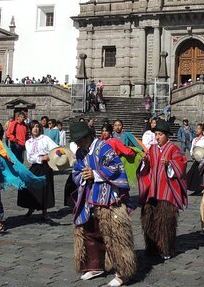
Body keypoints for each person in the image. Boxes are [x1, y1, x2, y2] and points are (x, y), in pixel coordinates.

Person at [71, 121, 136, 287]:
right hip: (88, 196)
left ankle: (122, 272)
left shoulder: (104, 148)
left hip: (108, 198)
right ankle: (95, 265)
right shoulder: (80, 152)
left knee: (115, 235)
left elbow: (117, 167)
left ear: (88, 136)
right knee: (90, 230)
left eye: (79, 139)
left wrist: (95, 174)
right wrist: (83, 177)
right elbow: (76, 171)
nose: (77, 143)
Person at [137, 119, 187, 260]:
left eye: (160, 134)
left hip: (167, 192)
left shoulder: (174, 149)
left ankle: (165, 248)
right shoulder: (152, 149)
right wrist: (144, 162)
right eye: (156, 134)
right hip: (152, 191)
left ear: (167, 135)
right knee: (149, 219)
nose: (157, 137)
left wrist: (170, 164)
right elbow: (145, 167)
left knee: (165, 221)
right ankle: (151, 247)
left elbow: (181, 166)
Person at [18, 122, 56, 219]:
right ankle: (31, 206)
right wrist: (40, 158)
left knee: (44, 188)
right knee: (28, 185)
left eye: (37, 127)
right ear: (30, 129)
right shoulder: (28, 142)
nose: (36, 129)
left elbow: (55, 149)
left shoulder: (45, 138)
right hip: (35, 165)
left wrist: (49, 155)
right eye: (33, 127)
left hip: (46, 166)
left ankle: (44, 211)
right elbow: (30, 157)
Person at [186, 124, 204, 195]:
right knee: (192, 174)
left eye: (199, 129)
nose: (197, 130)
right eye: (197, 128)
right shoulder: (194, 140)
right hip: (195, 159)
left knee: (199, 175)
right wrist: (192, 153)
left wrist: (203, 156)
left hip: (202, 160)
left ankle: (200, 189)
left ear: (202, 130)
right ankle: (195, 189)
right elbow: (192, 148)